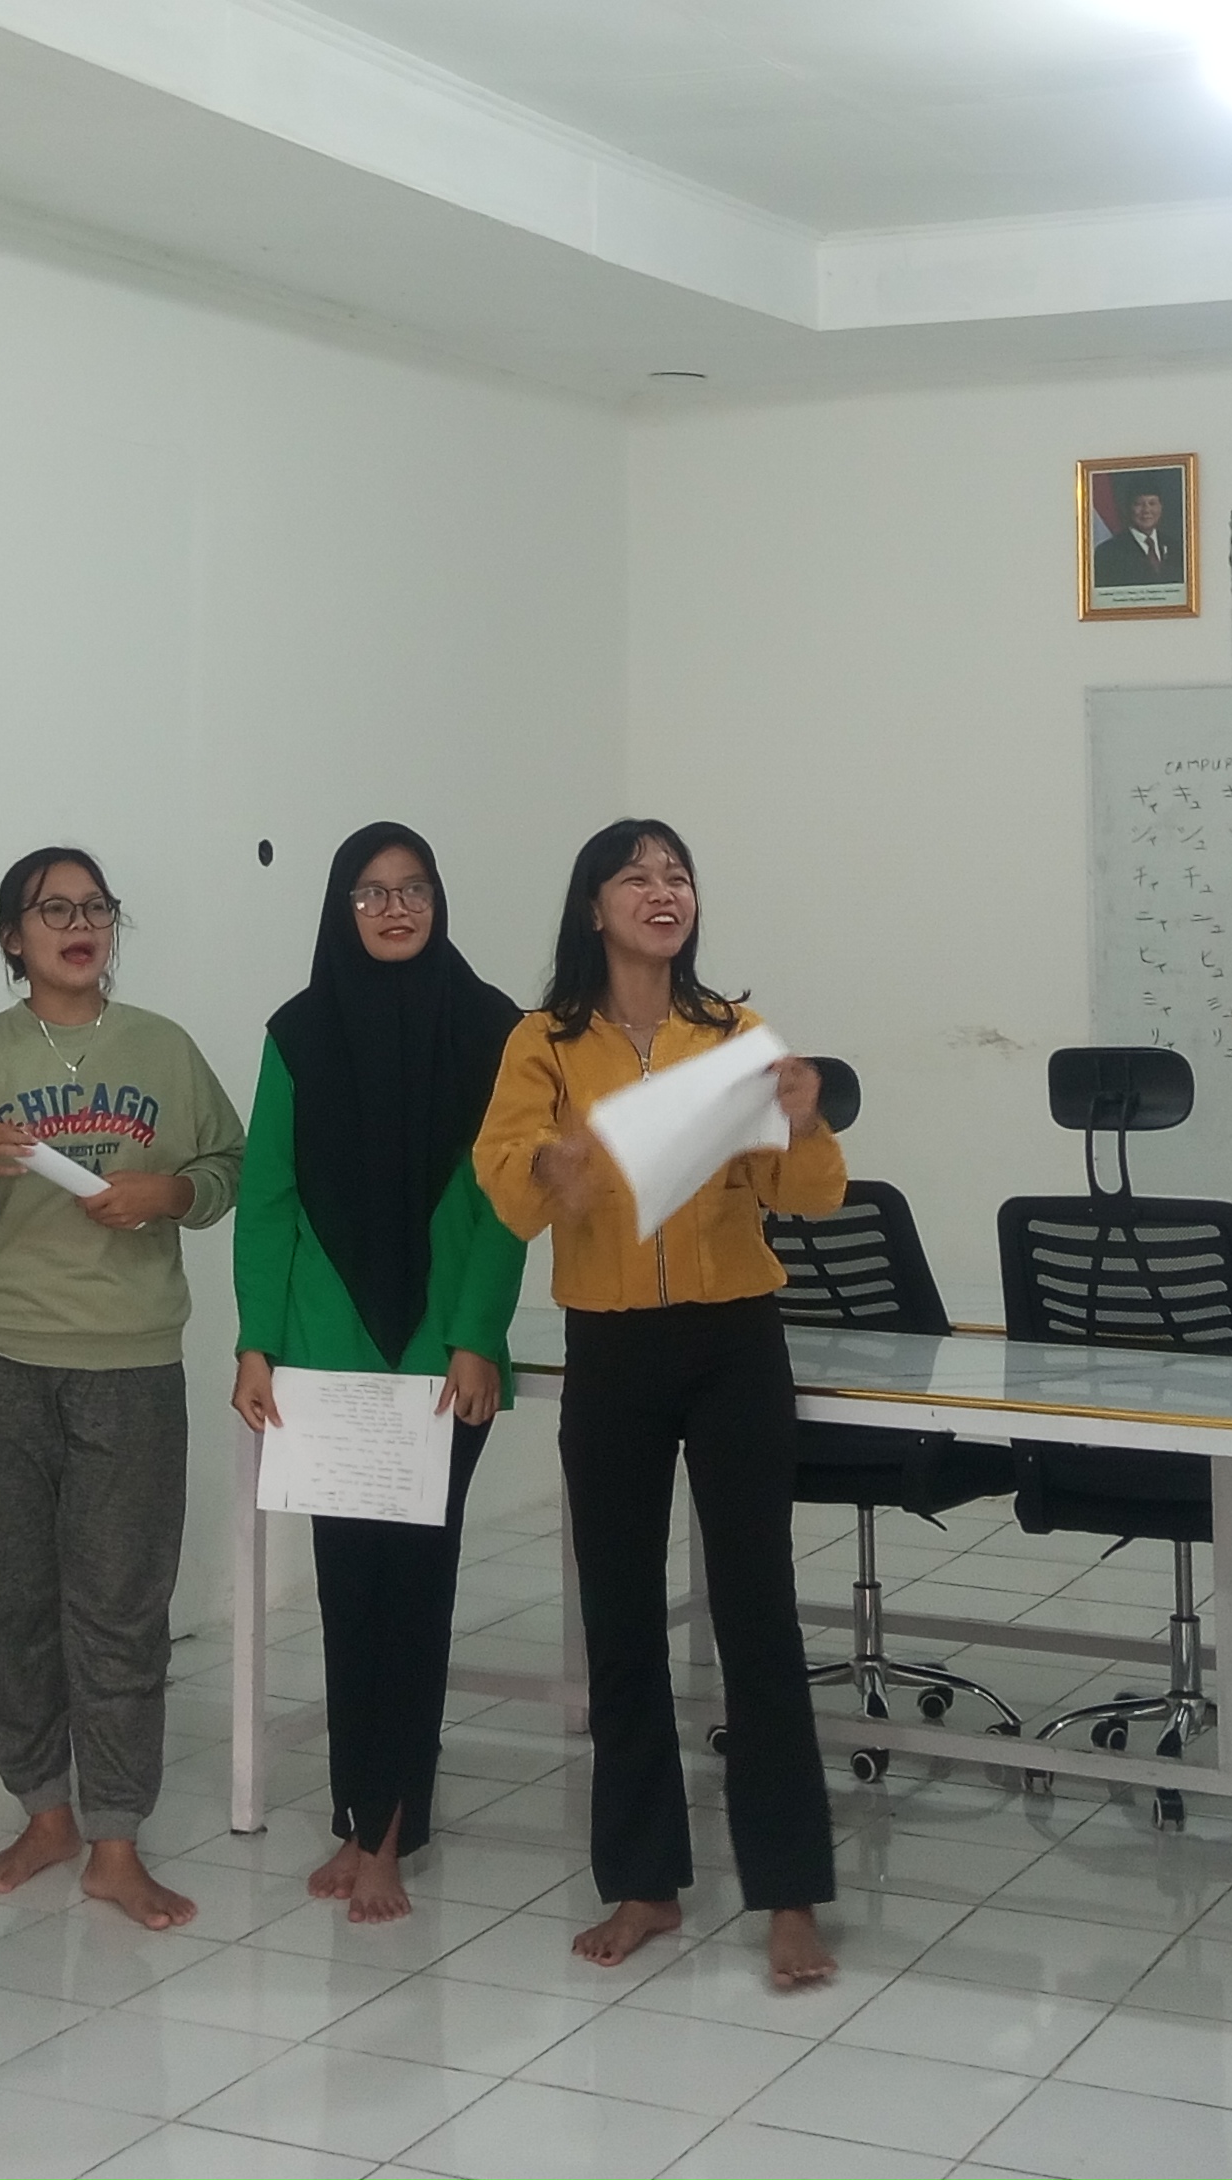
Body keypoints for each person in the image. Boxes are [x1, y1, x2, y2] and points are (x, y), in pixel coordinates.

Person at [473, 818, 844, 1992]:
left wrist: (802, 1116)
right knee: (622, 1619)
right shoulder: (544, 1041)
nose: (662, 890)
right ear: (593, 908)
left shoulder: (732, 1033)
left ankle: (789, 1892)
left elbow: (809, 1193)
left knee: (758, 1614)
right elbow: (506, 1183)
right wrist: (551, 1169)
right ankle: (645, 1882)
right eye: (635, 876)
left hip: (736, 1340)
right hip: (613, 1348)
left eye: (677, 874)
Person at [0, 846, 245, 1929]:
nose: (79, 924)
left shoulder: (164, 1048)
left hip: (129, 1363)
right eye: (53, 909)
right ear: (13, 937)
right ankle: (44, 1814)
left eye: (95, 906)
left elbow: (229, 1169)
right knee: (17, 1604)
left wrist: (168, 1192)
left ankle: (117, 1841)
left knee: (122, 1609)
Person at [229, 825, 527, 1921]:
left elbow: (505, 1202)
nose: (394, 909)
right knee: (347, 1593)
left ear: (439, 901)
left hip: (443, 1362)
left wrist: (477, 1334)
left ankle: (391, 1833)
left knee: (416, 1592)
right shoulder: (298, 1034)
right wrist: (256, 1341)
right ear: (339, 908)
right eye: (370, 893)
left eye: (413, 890)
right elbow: (266, 1198)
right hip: (327, 1358)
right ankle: (362, 1815)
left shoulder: (494, 1030)